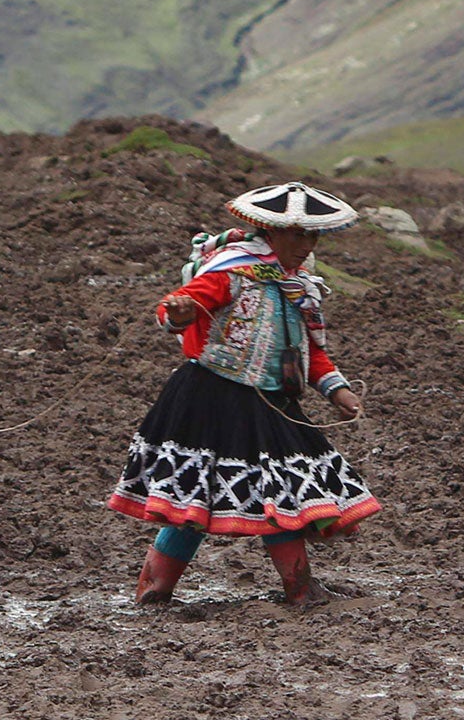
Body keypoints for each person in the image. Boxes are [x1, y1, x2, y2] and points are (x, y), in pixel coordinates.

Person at [109, 182, 380, 609]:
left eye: (311, 236)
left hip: (270, 402)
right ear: (269, 233)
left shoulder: (299, 287)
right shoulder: (233, 271)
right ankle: (156, 590)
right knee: (196, 501)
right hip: (211, 397)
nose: (305, 245)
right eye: (297, 234)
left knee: (281, 493)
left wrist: (337, 391)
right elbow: (178, 306)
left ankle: (298, 587)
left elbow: (308, 352)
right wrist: (177, 313)